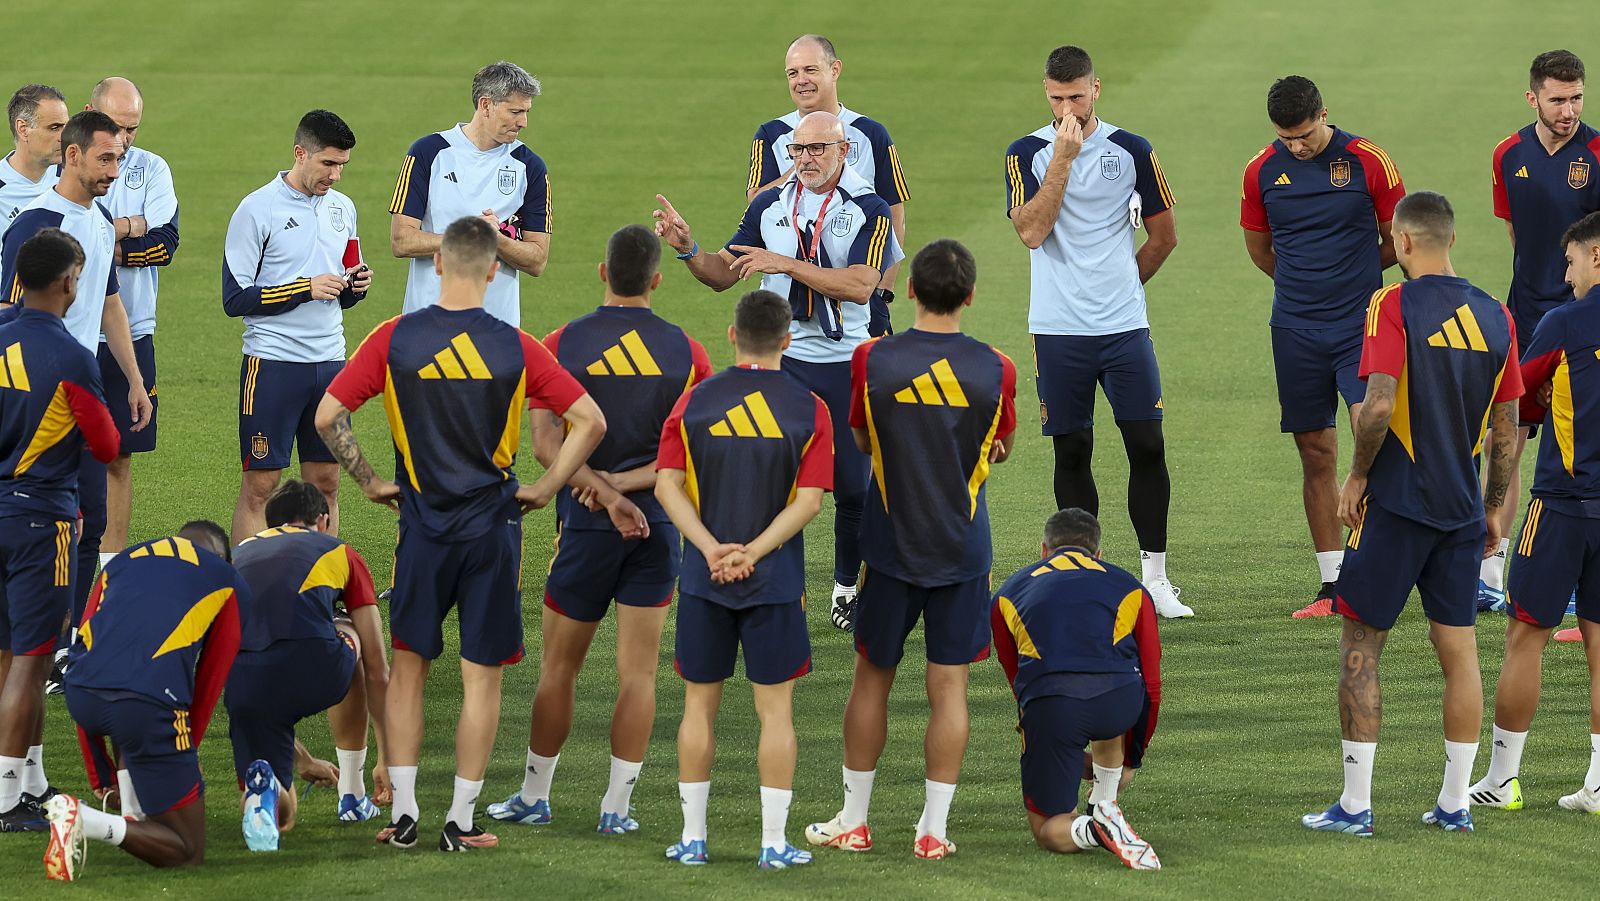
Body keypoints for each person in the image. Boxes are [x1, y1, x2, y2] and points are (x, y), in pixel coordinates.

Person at [315, 215, 605, 852]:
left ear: (438, 265)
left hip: (421, 528)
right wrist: (546, 487)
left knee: (410, 670)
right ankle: (462, 820)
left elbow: (328, 413)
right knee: (483, 678)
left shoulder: (393, 339)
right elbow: (588, 420)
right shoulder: (519, 346)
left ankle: (407, 815)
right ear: (495, 268)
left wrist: (366, 481)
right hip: (492, 529)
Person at [1302, 191, 1522, 837]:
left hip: (1397, 504)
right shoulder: (1500, 316)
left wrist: (1358, 473)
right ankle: (1455, 804)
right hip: (1459, 511)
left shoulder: (1390, 303)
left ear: (1401, 242)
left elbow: (1375, 405)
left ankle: (1355, 804)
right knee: (1459, 652)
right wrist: (1489, 509)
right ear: (1449, 239)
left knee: (1361, 645)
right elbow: (1507, 429)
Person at [487, 225, 709, 832]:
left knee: (560, 669)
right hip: (659, 529)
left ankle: (535, 797)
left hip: (584, 527)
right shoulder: (690, 354)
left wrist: (602, 492)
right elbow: (683, 458)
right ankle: (617, 808)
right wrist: (632, 491)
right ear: (658, 280)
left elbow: (543, 444)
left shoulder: (558, 343)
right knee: (638, 674)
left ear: (602, 272)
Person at [805, 239, 1016, 859]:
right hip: (962, 550)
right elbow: (998, 448)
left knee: (872, 679)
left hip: (891, 548)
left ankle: (855, 819)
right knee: (948, 689)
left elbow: (863, 441)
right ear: (970, 296)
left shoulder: (871, 359)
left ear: (914, 292)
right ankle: (933, 831)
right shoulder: (996, 368)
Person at [655, 109, 901, 633]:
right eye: (797, 150)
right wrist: (688, 248)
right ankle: (762, 577)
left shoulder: (869, 208)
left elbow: (862, 285)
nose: (805, 159)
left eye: (817, 149)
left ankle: (844, 587)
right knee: (769, 475)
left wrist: (786, 264)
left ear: (844, 152)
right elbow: (726, 272)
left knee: (853, 488)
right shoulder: (769, 204)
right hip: (782, 363)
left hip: (847, 362)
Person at [1005, 45, 1187, 618]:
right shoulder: (1027, 153)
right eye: (1057, 98)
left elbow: (1164, 236)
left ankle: (1155, 580)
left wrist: (1124, 287)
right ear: (1046, 93)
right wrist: (1063, 157)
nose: (1068, 108)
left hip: (1123, 328)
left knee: (1147, 444)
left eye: (1077, 98)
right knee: (1073, 448)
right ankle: (1084, 576)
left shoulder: (1133, 150)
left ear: (1096, 89)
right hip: (1057, 332)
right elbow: (1032, 232)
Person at [654, 289, 833, 868]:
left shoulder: (695, 403)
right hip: (775, 584)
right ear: (787, 339)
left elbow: (665, 486)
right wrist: (752, 553)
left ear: (732, 336)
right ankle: (773, 843)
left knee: (697, 709)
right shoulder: (810, 409)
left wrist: (709, 550)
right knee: (775, 714)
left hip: (704, 582)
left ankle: (693, 839)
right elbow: (808, 503)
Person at [1241, 75, 1406, 618]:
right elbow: (1261, 249)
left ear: (1324, 115)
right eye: (1286, 139)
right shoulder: (1261, 170)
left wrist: (1353, 274)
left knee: (1370, 436)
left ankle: (1378, 572)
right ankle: (1333, 584)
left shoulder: (1367, 160)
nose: (1297, 147)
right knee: (1315, 450)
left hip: (1360, 325)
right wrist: (1303, 285)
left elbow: (1400, 238)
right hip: (1294, 329)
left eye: (1305, 136)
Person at [1, 109, 151, 659]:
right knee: (42, 515)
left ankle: (65, 642)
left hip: (83, 386)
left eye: (120, 157)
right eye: (106, 157)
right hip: (38, 396)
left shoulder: (99, 219)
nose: (115, 168)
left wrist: (133, 380)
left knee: (88, 521)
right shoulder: (38, 223)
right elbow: (7, 310)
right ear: (73, 155)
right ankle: (30, 641)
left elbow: (110, 301)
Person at [1468, 210, 1600, 813]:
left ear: (1595, 258)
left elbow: (1515, 402)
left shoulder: (1565, 322)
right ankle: (1597, 784)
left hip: (1564, 508)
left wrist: (1493, 505)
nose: (1566, 272)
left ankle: (1503, 781)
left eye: (1571, 261)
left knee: (1525, 636)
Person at [42, 521, 249, 878]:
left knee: (126, 702)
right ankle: (88, 820)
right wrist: (187, 749)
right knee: (188, 849)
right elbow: (211, 679)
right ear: (221, 558)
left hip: (81, 695)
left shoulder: (123, 561)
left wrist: (100, 774)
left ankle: (133, 812)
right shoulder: (228, 579)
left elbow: (83, 653)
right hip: (144, 706)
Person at [0, 230, 119, 833]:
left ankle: (30, 779)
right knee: (34, 658)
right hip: (38, 520)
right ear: (71, 282)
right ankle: (4, 799)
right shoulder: (73, 356)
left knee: (5, 652)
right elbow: (106, 444)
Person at [1481, 50, 1600, 611]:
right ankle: (1490, 569)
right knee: (1509, 436)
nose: (1570, 109)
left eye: (1577, 97)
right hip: (1527, 319)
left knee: (1579, 446)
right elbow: (1516, 231)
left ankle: (1578, 581)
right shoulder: (1508, 154)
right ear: (1533, 97)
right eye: (1558, 98)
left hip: (1584, 323)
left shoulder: (1598, 152)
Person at [224, 109, 369, 547]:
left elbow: (343, 283)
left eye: (342, 165)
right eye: (328, 164)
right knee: (261, 488)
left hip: (330, 365)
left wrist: (356, 286)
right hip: (272, 366)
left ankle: (321, 588)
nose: (336, 176)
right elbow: (235, 299)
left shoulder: (343, 208)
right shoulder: (256, 209)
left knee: (327, 484)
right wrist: (305, 288)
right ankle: (248, 592)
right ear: (299, 153)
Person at [990, 509, 1163, 870]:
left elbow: (1018, 680)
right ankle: (1105, 802)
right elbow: (1151, 685)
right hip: (1119, 703)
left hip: (1054, 704)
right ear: (1098, 554)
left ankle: (1093, 828)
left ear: (1043, 550)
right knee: (1111, 681)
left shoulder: (1008, 592)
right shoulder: (1132, 586)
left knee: (1048, 827)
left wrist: (1045, 736)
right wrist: (1134, 755)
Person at [227, 479, 390, 850]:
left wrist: (300, 760)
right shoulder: (338, 550)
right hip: (313, 667)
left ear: (270, 523)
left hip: (244, 683)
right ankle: (352, 794)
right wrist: (390, 759)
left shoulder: (236, 554)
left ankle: (263, 795)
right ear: (323, 519)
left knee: (285, 815)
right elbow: (379, 669)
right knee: (352, 632)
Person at [746, 34, 909, 337]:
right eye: (792, 73)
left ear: (835, 70)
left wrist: (883, 289)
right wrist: (804, 161)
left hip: (858, 298)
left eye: (810, 70)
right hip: (788, 306)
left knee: (870, 381)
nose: (801, 81)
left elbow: (894, 214)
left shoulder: (871, 133)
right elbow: (755, 203)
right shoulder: (772, 133)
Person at [87, 77, 179, 560]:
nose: (125, 139)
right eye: (116, 127)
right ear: (90, 113)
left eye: (133, 129)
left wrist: (100, 241)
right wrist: (126, 228)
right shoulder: (71, 163)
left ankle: (108, 567)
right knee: (58, 451)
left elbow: (164, 244)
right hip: (73, 332)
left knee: (119, 454)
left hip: (133, 329)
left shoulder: (152, 169)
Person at [390, 60, 551, 327]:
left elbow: (537, 260)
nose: (523, 122)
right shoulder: (428, 152)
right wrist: (469, 237)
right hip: (426, 324)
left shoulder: (530, 166)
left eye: (526, 112)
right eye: (515, 112)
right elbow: (402, 240)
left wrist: (496, 240)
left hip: (497, 329)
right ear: (486, 105)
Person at [1, 84, 65, 238]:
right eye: (54, 128)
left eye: (66, 127)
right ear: (23, 129)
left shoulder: (70, 176)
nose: (64, 137)